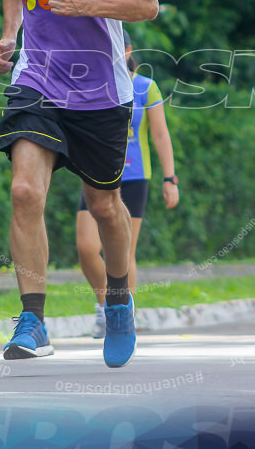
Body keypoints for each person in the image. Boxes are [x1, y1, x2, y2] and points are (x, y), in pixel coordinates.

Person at [0, 0, 158, 368]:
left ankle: (118, 297)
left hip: (99, 89)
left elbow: (146, 5)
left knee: (106, 205)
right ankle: (33, 319)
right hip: (37, 77)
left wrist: (85, 5)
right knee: (23, 191)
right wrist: (10, 35)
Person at [76, 30, 178, 337]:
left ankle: (122, 316)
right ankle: (103, 306)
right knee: (86, 247)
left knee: (123, 251)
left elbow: (160, 135)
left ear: (128, 49)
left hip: (134, 176)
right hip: (95, 174)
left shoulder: (145, 88)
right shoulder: (93, 83)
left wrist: (169, 178)